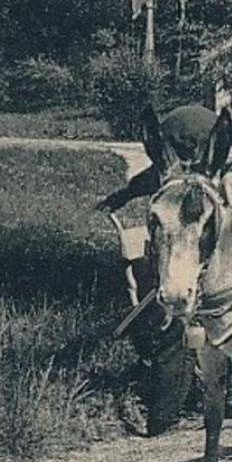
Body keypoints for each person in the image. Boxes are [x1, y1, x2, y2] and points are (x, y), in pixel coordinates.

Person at [95, 103, 219, 438]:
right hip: (186, 266)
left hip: (188, 266)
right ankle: (167, 412)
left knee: (176, 334)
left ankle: (170, 411)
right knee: (176, 333)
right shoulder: (191, 176)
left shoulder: (195, 177)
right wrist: (124, 195)